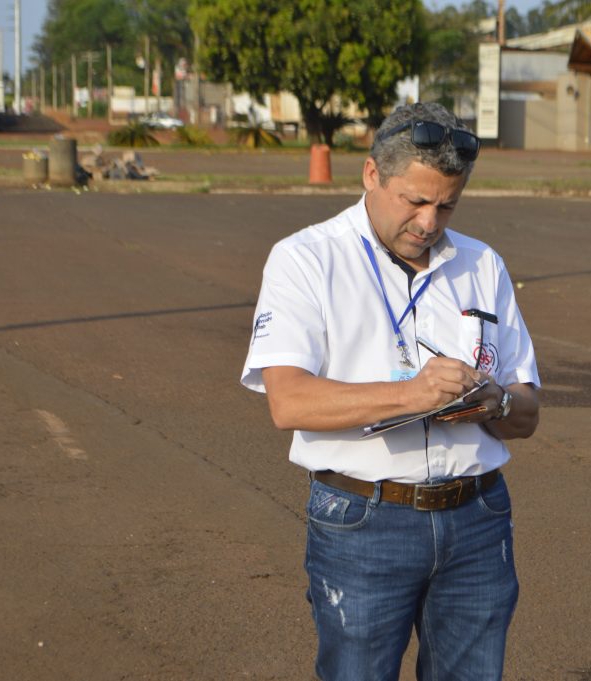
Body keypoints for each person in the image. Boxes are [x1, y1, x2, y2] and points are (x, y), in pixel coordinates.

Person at [240, 102, 540, 680]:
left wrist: (494, 402)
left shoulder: (482, 265)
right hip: (362, 519)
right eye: (415, 201)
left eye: (446, 204)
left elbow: (527, 409)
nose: (430, 222)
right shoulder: (306, 259)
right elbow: (289, 401)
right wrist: (414, 394)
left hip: (477, 518)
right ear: (372, 175)